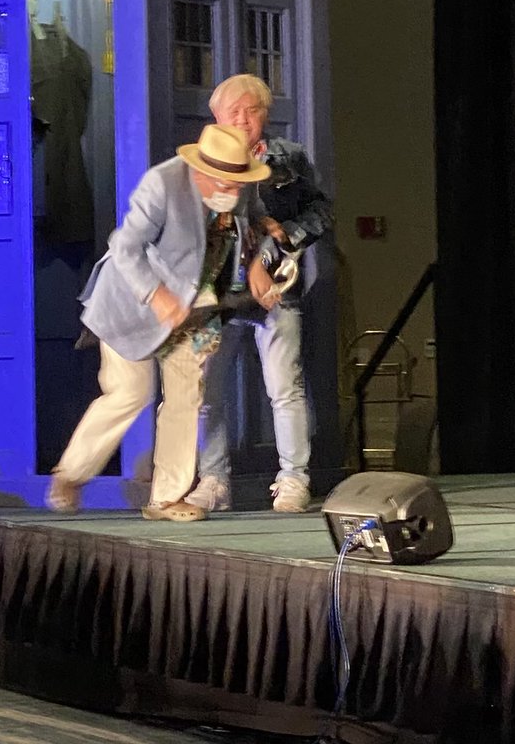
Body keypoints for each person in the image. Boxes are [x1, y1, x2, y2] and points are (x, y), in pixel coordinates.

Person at [46, 123, 277, 521]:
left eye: (239, 184)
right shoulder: (162, 184)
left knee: (186, 398)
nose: (233, 191)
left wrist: (259, 263)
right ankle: (70, 474)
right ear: (202, 171)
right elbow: (125, 246)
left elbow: (257, 223)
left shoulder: (240, 184)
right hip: (133, 303)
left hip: (196, 307)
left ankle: (167, 498)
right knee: (130, 393)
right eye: (225, 183)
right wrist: (157, 295)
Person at [188, 74, 334, 514]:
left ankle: (294, 478)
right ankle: (213, 480)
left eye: (252, 111)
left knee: (284, 386)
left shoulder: (288, 157)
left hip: (275, 289)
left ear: (265, 115)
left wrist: (288, 236)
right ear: (216, 118)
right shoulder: (202, 161)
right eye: (233, 112)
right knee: (206, 391)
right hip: (219, 292)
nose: (243, 120)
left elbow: (320, 209)